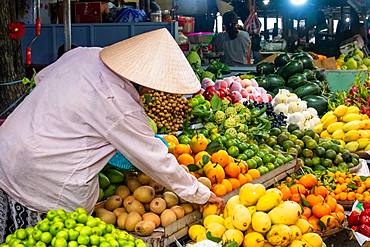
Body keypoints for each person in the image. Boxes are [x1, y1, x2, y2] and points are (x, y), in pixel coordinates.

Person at [0, 28, 224, 241]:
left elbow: (42, 80)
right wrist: (199, 193)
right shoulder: (120, 103)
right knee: (42, 239)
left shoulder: (82, 55)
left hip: (7, 149)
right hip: (42, 181)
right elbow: (155, 159)